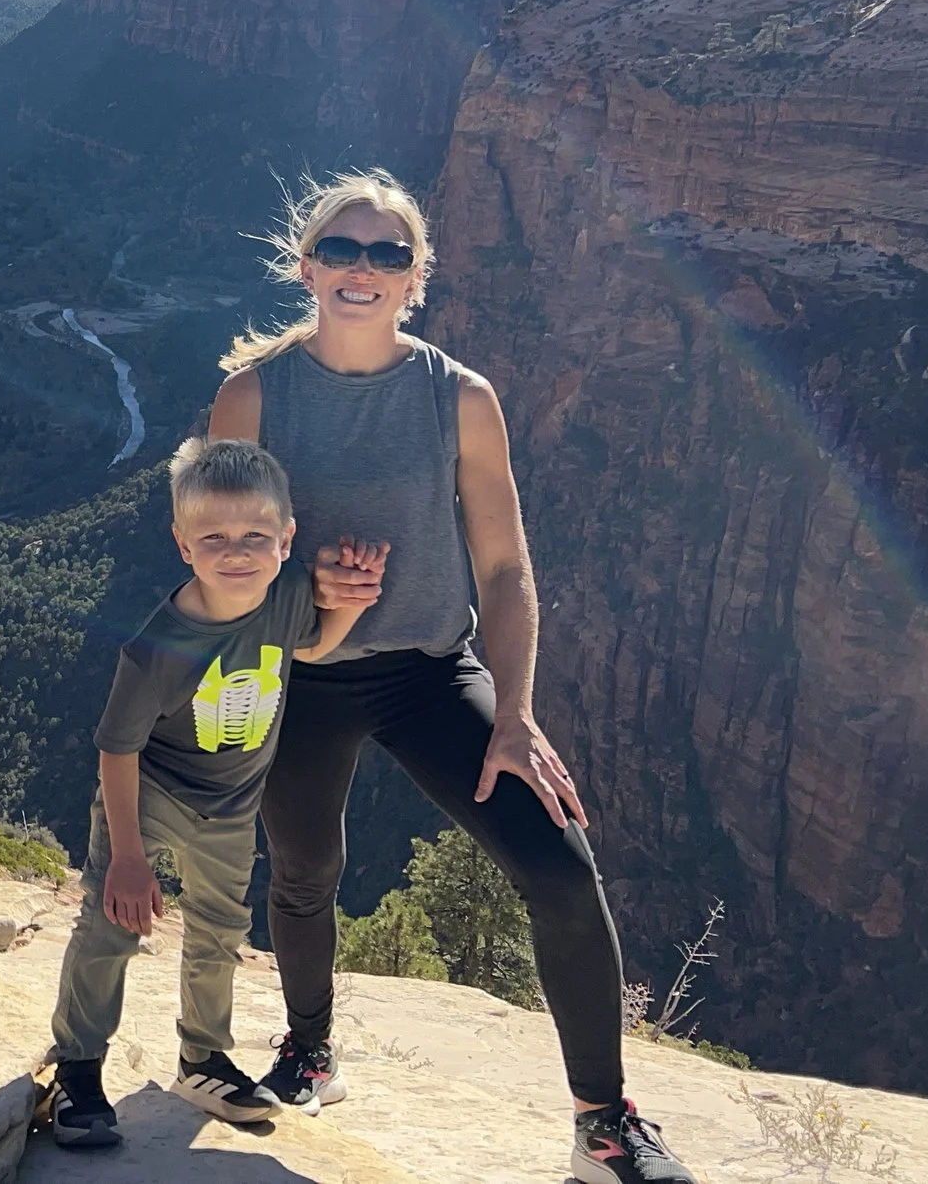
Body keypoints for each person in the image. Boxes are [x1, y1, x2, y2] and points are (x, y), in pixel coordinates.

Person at [208, 171, 698, 1184]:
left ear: (416, 279)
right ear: (306, 267)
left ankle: (602, 1128)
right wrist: (310, 589)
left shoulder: (460, 399)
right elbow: (220, 557)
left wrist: (513, 716)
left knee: (559, 867)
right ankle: (308, 1053)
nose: (362, 269)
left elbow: (507, 568)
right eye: (342, 250)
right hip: (296, 671)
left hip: (431, 670)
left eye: (387, 254)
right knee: (302, 871)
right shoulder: (252, 396)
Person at [42, 438, 367, 1146]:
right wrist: (128, 854)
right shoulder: (161, 646)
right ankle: (77, 1065)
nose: (237, 551)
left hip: (231, 804)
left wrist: (350, 602)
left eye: (256, 535)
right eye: (213, 536)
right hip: (152, 791)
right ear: (182, 543)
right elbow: (116, 747)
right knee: (111, 922)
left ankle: (203, 1056)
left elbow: (309, 644)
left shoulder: (283, 595)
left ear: (287, 540)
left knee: (220, 931)